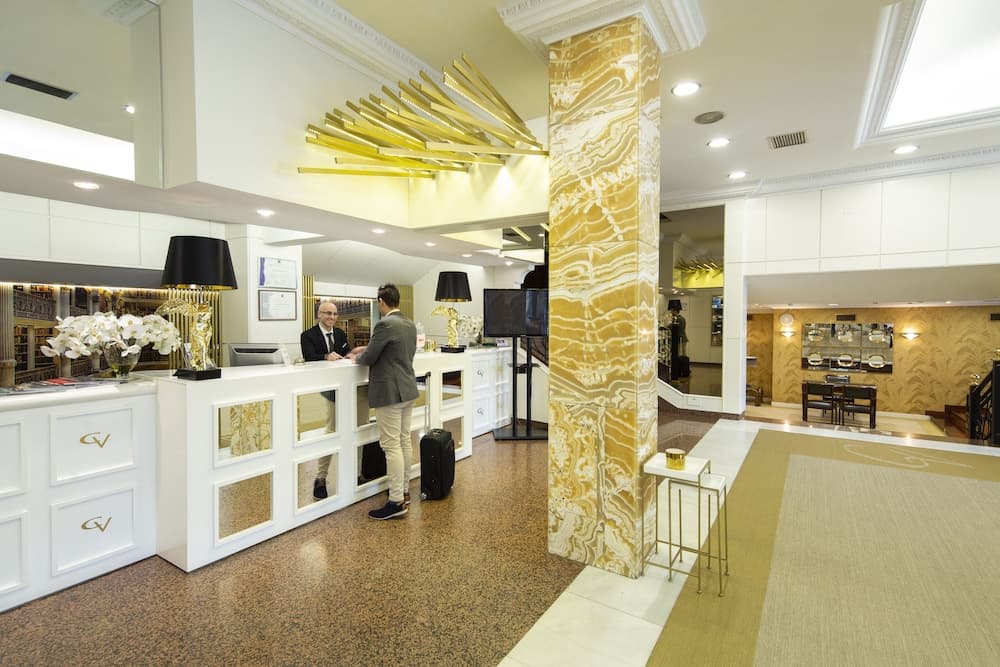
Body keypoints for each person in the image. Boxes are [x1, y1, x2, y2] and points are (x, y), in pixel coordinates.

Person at [346, 284, 418, 520]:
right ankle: (404, 491)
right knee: (403, 441)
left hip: (389, 392)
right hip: (407, 389)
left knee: (391, 445)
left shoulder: (385, 324)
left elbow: (369, 358)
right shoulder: (408, 323)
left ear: (381, 301)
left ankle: (395, 501)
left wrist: (355, 357)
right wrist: (366, 348)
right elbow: (393, 351)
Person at [300, 299, 350, 500]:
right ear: (319, 315)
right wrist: (325, 357)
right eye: (328, 313)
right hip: (328, 389)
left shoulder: (340, 333)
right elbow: (308, 357)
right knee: (331, 430)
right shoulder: (308, 335)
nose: (332, 317)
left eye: (335, 314)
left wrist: (352, 355)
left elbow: (347, 352)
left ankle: (355, 474)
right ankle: (320, 478)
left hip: (347, 386)